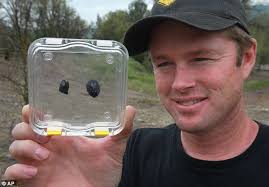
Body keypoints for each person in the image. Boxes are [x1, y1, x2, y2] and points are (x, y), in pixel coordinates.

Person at [3, 0, 269, 186]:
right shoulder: (129, 155)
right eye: (163, 63)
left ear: (246, 58)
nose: (180, 83)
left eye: (201, 58)